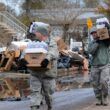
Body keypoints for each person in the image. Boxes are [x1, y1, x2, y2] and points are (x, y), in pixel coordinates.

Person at [28, 23, 59, 110]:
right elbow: (27, 51)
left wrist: (46, 59)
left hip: (47, 74)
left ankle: (49, 107)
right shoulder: (33, 41)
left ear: (41, 33)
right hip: (35, 73)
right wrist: (23, 59)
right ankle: (34, 107)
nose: (35, 33)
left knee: (48, 94)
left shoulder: (51, 42)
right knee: (35, 93)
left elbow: (53, 52)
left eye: (37, 32)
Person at [88, 26, 110, 106]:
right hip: (95, 66)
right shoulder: (92, 43)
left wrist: (107, 30)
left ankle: (105, 97)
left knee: (104, 82)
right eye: (92, 33)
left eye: (95, 33)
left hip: (105, 65)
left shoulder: (105, 42)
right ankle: (98, 98)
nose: (93, 34)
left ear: (98, 33)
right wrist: (96, 43)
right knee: (95, 83)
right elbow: (91, 51)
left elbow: (108, 39)